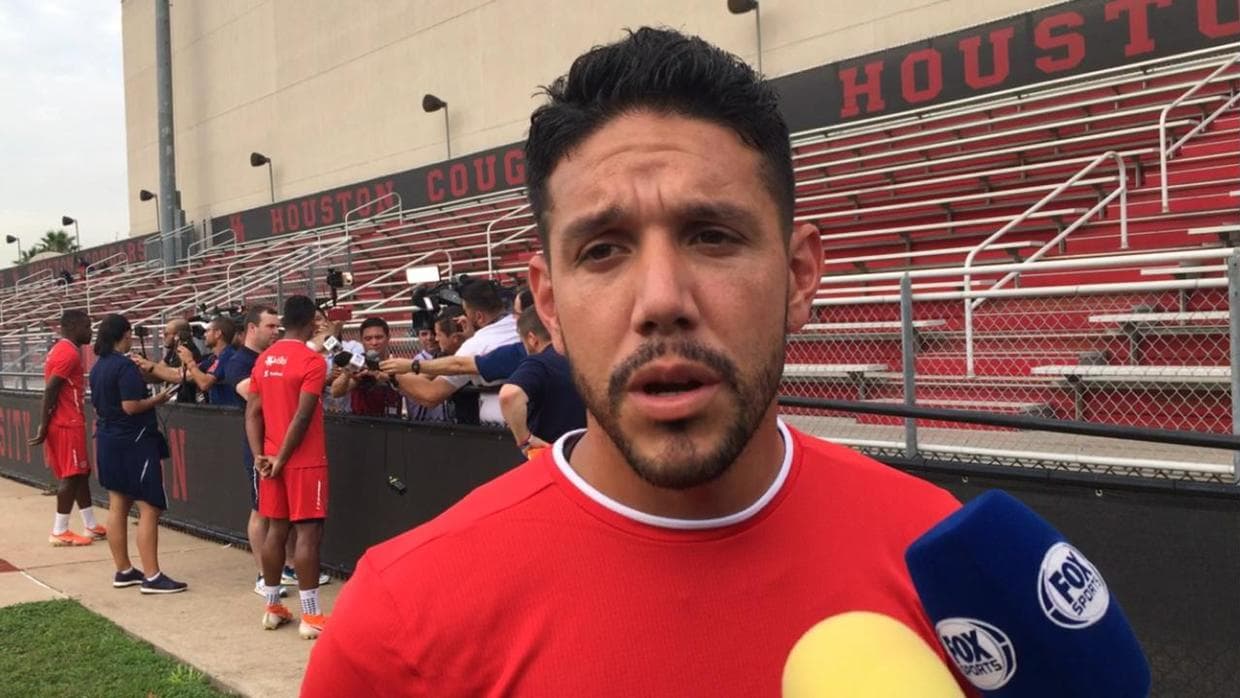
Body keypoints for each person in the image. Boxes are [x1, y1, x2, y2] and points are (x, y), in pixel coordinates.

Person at [303, 28, 968, 696]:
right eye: (602, 250)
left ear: (798, 277)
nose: (662, 301)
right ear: (550, 305)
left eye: (713, 237)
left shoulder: (949, 565)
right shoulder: (398, 631)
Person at [245, 295, 330, 639]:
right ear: (312, 322)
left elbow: (252, 413)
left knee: (276, 530)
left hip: (269, 459)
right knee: (308, 534)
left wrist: (260, 456)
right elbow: (303, 415)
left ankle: (273, 607)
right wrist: (281, 458)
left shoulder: (264, 358)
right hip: (304, 460)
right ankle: (311, 615)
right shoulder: (312, 360)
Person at [88, 314, 187, 594]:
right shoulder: (123, 365)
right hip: (134, 440)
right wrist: (158, 399)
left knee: (118, 503)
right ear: (125, 334)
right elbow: (131, 406)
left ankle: (124, 569)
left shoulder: (98, 366)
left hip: (108, 438)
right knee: (150, 506)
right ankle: (152, 575)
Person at [388, 280, 519, 425]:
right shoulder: (520, 324)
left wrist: (391, 375)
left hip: (501, 427)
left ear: (479, 317)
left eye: (466, 312)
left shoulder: (474, 345)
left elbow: (431, 394)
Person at [225, 305, 288, 596]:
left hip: (280, 442)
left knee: (282, 510)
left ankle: (285, 567)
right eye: (270, 327)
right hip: (258, 446)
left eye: (278, 327)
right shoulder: (238, 361)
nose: (276, 332)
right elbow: (251, 391)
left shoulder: (272, 358)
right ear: (252, 328)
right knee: (261, 509)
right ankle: (264, 575)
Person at [30, 309, 106, 546]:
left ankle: (90, 524)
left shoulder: (61, 349)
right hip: (66, 422)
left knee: (81, 473)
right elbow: (51, 388)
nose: (90, 331)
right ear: (73, 327)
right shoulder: (69, 353)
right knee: (72, 475)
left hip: (67, 421)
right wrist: (43, 424)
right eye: (87, 326)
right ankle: (59, 530)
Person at [380, 287, 533, 386]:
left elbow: (457, 366)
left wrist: (404, 370)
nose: (435, 339)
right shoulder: (510, 339)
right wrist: (471, 337)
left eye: (516, 313)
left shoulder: (478, 345)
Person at [498, 309, 586, 459]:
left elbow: (509, 395)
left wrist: (525, 440)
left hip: (549, 457)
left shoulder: (539, 363)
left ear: (532, 339)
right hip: (586, 457)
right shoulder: (583, 357)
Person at [328, 317, 402, 419]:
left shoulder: (398, 364)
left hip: (393, 422)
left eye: (379, 337)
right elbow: (335, 392)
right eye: (368, 339)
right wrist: (349, 375)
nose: (374, 343)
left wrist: (389, 378)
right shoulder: (357, 362)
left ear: (388, 337)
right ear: (361, 340)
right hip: (361, 423)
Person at [131, 318, 204, 404]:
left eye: (166, 334)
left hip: (184, 403)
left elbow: (176, 376)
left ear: (177, 336)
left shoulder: (187, 351)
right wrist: (142, 367)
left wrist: (149, 365)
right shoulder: (173, 351)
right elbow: (158, 375)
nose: (163, 337)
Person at [178, 316, 238, 406]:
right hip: (221, 410)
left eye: (208, 331)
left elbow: (204, 384)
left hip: (231, 411)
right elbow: (189, 374)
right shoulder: (213, 358)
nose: (204, 335)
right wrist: (155, 369)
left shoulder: (229, 356)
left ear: (217, 334)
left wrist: (189, 361)